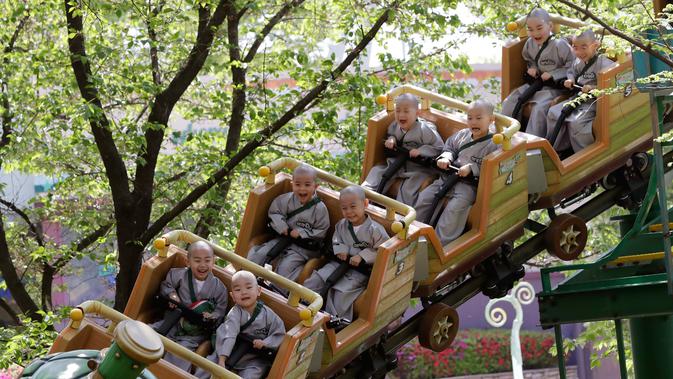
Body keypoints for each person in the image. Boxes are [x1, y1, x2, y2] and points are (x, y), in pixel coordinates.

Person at [415, 100, 500, 246]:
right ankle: (415, 234)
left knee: (453, 210)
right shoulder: (462, 135)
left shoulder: (493, 143)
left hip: (468, 186)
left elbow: (492, 167)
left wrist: (472, 168)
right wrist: (446, 156)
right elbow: (450, 147)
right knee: (424, 198)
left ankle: (440, 244)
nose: (473, 122)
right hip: (447, 178)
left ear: (491, 120)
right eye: (470, 118)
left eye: (479, 118)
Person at [302, 185, 389, 322]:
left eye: (353, 207)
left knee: (340, 293)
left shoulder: (375, 230)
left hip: (359, 272)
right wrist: (340, 249)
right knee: (317, 278)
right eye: (344, 208)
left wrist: (362, 256)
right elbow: (336, 238)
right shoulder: (341, 225)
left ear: (365, 204)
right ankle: (303, 306)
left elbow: (382, 251)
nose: (349, 212)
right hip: (338, 264)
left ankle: (334, 320)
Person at [247, 164, 330, 295]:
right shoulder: (285, 200)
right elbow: (274, 213)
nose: (302, 189)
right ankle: (247, 281)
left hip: (302, 248)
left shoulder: (320, 209)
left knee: (286, 267)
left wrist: (302, 233)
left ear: (315, 186)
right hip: (282, 239)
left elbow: (322, 230)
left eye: (307, 185)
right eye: (298, 184)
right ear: (292, 184)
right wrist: (282, 226)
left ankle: (277, 293)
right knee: (260, 254)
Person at [153, 241, 228, 372]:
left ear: (213, 262)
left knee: (179, 356)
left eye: (207, 260)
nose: (203, 265)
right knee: (147, 334)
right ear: (188, 262)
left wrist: (212, 316)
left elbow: (220, 311)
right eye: (197, 260)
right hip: (172, 322)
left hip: (193, 334)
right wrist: (172, 295)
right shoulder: (178, 274)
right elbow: (167, 285)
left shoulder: (219, 288)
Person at [196, 270, 286, 379]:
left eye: (248, 287)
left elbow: (279, 333)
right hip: (229, 352)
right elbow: (230, 334)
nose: (243, 292)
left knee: (254, 372)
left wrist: (265, 343)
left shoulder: (269, 315)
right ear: (233, 296)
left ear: (258, 291)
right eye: (238, 290)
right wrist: (222, 359)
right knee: (208, 366)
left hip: (252, 358)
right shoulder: (234, 313)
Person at [501, 8, 574, 136]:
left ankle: (531, 144)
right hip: (536, 83)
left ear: (550, 26)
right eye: (530, 29)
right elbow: (530, 59)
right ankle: (503, 134)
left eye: (539, 28)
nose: (535, 33)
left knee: (539, 109)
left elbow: (572, 66)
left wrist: (554, 74)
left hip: (554, 87)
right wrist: (532, 68)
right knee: (510, 100)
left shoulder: (559, 44)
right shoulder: (530, 44)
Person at [362, 93, 444, 207]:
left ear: (417, 113)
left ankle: (401, 212)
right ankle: (364, 196)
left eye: (406, 111)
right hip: (398, 161)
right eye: (398, 111)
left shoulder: (425, 130)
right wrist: (391, 139)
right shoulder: (395, 125)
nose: (401, 115)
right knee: (378, 171)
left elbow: (439, 147)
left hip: (418, 167)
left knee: (409, 188)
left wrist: (421, 151)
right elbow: (392, 134)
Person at [545, 29, 616, 153]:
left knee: (576, 123)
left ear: (595, 45)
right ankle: (557, 149)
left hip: (594, 103)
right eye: (575, 48)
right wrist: (570, 80)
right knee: (553, 112)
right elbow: (571, 72)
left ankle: (583, 152)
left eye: (584, 47)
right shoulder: (578, 62)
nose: (579, 52)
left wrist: (593, 88)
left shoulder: (603, 62)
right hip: (577, 98)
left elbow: (610, 84)